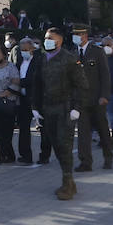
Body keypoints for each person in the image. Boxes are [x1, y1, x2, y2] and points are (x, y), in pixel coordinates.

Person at [36, 27, 88, 199]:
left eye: (50, 38)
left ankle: (67, 184)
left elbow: (81, 85)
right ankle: (69, 180)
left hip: (65, 108)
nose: (47, 41)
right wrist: (35, 107)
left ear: (59, 41)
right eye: (46, 38)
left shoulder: (69, 59)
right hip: (48, 108)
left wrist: (77, 108)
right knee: (56, 145)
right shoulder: (42, 58)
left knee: (64, 145)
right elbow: (37, 84)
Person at [72, 24, 113, 171]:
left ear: (85, 35)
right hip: (81, 101)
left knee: (102, 130)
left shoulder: (97, 52)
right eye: (74, 34)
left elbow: (105, 75)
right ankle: (85, 162)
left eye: (78, 34)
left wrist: (104, 95)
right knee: (83, 133)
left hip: (97, 99)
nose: (76, 36)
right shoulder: (72, 53)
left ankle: (108, 157)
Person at [14, 37, 42, 165]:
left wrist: (21, 82)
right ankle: (25, 155)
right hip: (23, 98)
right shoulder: (20, 61)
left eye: (26, 49)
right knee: (24, 127)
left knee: (43, 127)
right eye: (22, 49)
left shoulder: (38, 60)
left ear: (32, 48)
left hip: (36, 98)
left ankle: (44, 154)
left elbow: (36, 79)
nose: (23, 51)